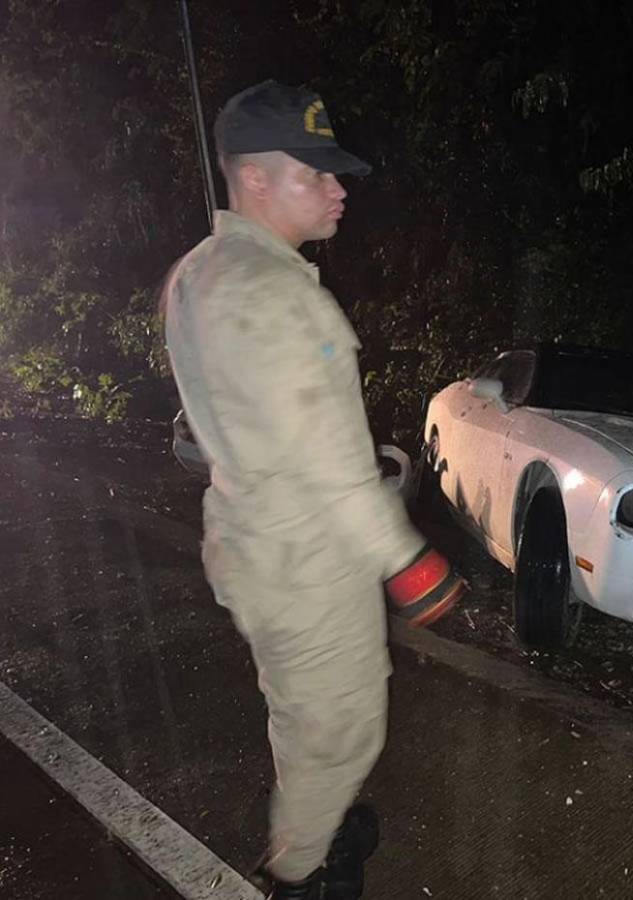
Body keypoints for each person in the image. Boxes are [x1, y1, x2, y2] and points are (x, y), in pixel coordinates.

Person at [162, 80, 466, 900]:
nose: (339, 189)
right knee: (342, 734)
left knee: (299, 711)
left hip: (253, 542)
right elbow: (325, 462)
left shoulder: (196, 274)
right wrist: (407, 560)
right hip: (307, 563)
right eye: (316, 174)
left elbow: (228, 423)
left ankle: (318, 826)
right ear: (256, 179)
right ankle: (300, 875)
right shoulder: (274, 297)